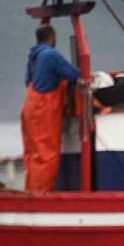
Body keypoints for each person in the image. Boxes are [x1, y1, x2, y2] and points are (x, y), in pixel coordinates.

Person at [21, 24, 81, 192]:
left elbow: (28, 81)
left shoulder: (33, 56)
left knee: (32, 153)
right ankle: (41, 195)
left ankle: (31, 191)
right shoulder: (51, 54)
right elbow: (72, 74)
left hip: (29, 105)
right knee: (47, 155)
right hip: (43, 107)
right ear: (52, 37)